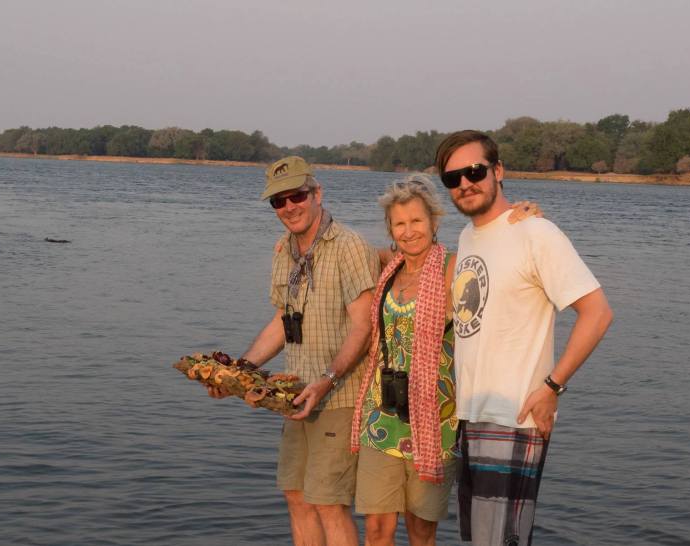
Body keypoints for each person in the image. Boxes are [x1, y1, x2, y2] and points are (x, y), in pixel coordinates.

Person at [435, 130, 614, 546]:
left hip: (513, 417)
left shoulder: (536, 233)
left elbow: (598, 312)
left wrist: (552, 387)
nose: (464, 183)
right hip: (471, 415)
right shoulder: (467, 239)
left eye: (474, 171)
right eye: (452, 178)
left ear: (498, 171)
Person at [349, 175, 539, 546]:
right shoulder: (388, 266)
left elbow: (499, 254)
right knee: (376, 530)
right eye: (399, 223)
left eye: (416, 221)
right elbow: (345, 251)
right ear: (390, 228)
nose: (408, 232)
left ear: (434, 221)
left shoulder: (456, 268)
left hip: (435, 423)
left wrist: (524, 218)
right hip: (381, 417)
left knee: (421, 531)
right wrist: (291, 243)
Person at [208, 156, 379, 546]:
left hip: (341, 396)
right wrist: (240, 371)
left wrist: (326, 381)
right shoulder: (284, 250)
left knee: (329, 503)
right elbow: (283, 322)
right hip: (295, 396)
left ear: (317, 193)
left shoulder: (348, 245)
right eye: (278, 202)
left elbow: (365, 325)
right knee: (297, 497)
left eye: (297, 196)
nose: (289, 208)